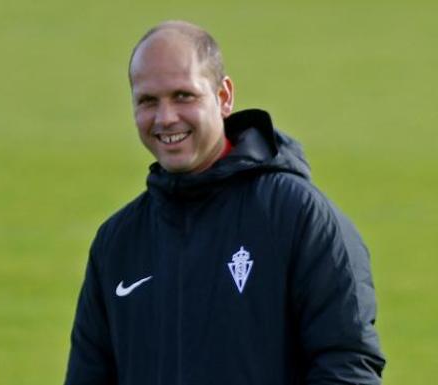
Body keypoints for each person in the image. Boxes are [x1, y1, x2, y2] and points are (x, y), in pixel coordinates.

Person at [64, 20, 386, 385]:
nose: (165, 118)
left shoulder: (297, 216)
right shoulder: (118, 242)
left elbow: (347, 366)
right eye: (148, 101)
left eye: (183, 95)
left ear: (224, 97)